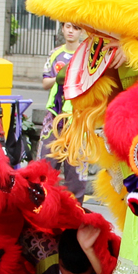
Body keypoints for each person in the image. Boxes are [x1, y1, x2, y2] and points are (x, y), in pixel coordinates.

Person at [37, 22, 89, 198]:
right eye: (68, 27)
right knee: (45, 167)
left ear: (81, 31)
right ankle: (43, 205)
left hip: (78, 119)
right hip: (54, 116)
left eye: (76, 28)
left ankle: (74, 210)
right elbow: (45, 83)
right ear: (62, 29)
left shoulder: (87, 56)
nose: (71, 31)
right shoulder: (55, 54)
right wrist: (59, 78)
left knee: (76, 174)